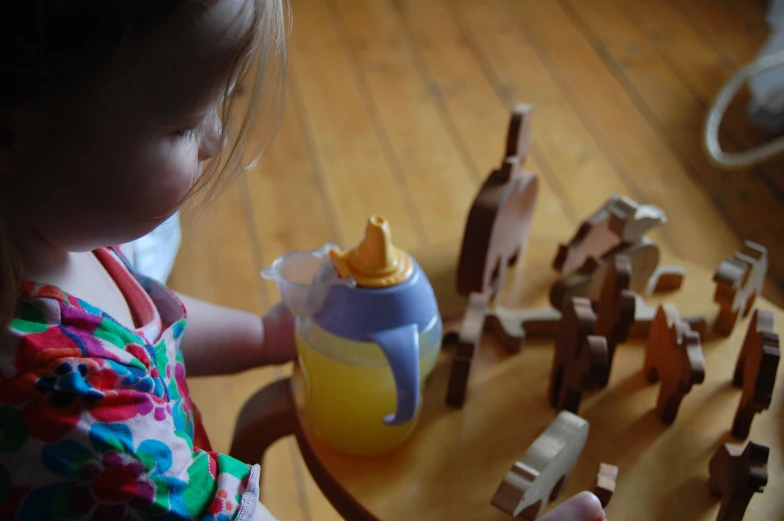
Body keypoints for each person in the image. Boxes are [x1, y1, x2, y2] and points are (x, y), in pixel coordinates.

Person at [0, 1, 606, 520]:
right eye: (184, 125)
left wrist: (265, 335)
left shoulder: (55, 228)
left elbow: (145, 324)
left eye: (224, 103)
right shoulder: (88, 423)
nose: (214, 139)